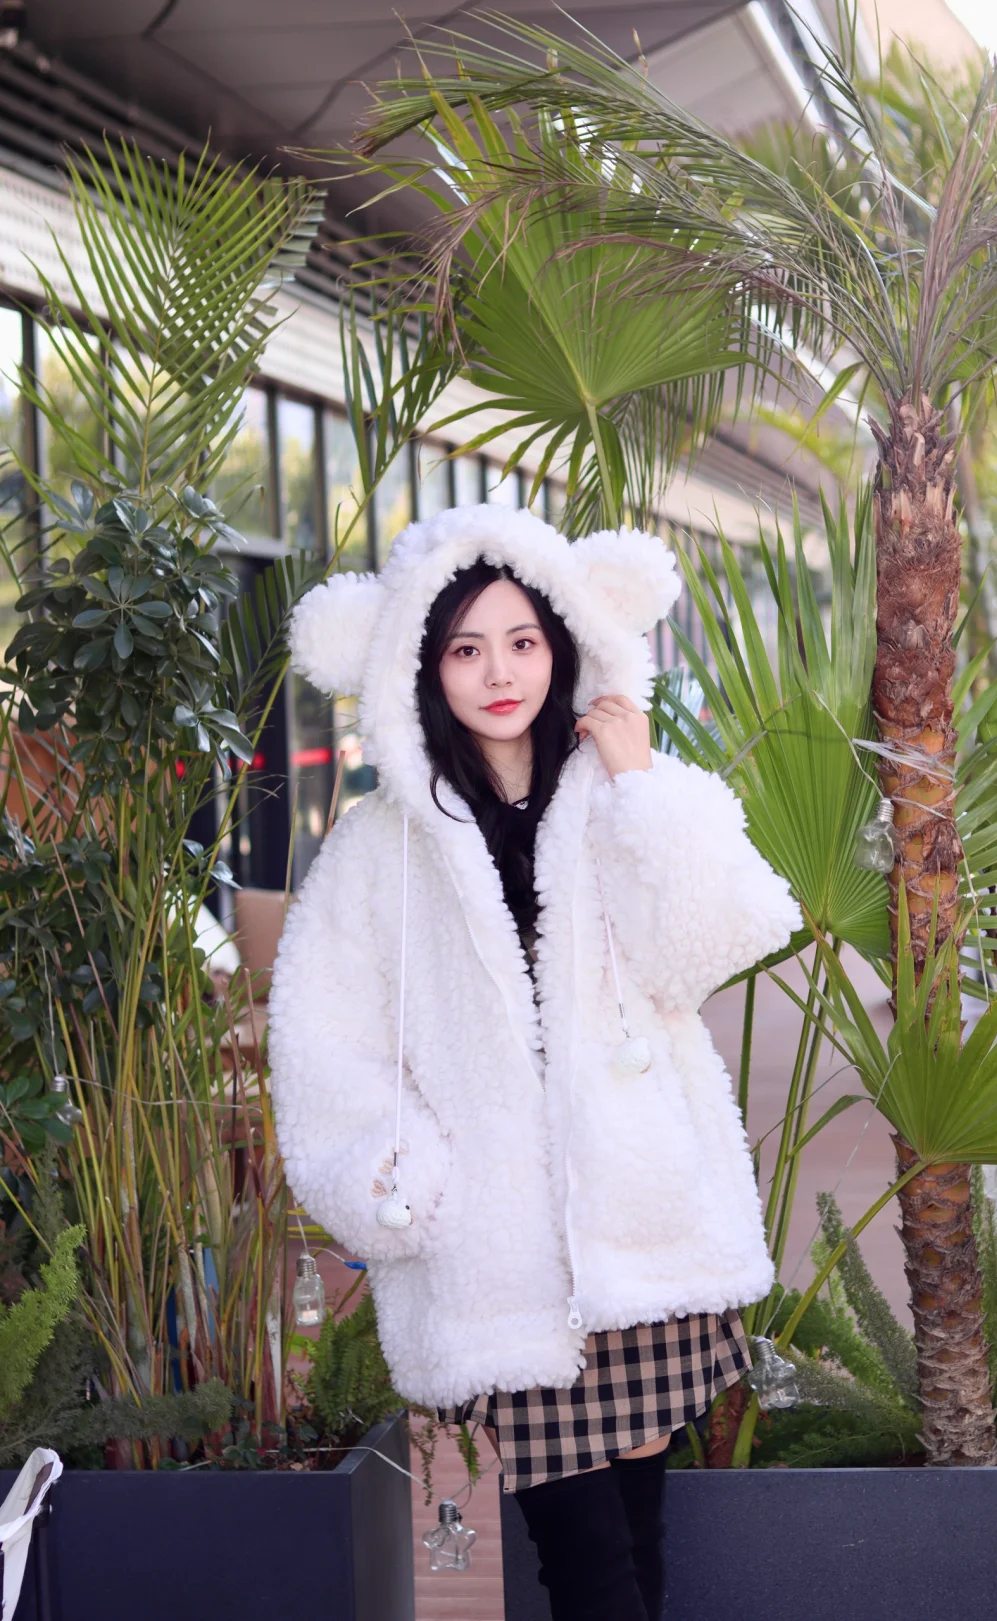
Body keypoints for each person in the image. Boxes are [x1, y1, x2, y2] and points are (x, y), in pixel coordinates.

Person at [268, 504, 800, 1621]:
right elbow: (324, 1041)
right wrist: (399, 1171)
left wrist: (642, 783)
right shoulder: (379, 847)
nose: (499, 672)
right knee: (588, 1567)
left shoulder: (615, 790)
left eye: (521, 640)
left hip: (641, 1234)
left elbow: (702, 952)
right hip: (501, 1257)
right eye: (466, 648)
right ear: (424, 665)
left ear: (562, 643)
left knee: (639, 1542)